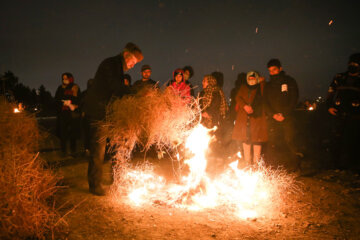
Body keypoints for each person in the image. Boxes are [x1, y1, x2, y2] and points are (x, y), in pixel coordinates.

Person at [82, 42, 143, 196]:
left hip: (109, 113)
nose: (132, 65)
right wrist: (136, 93)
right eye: (132, 61)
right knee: (98, 149)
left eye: (135, 64)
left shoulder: (118, 68)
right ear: (126, 55)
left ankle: (117, 179)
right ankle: (95, 185)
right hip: (98, 111)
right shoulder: (110, 64)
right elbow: (115, 86)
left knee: (118, 145)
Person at [264, 58, 301, 172]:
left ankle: (295, 166)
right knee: (272, 143)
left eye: (274, 70)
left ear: (280, 68)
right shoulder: (268, 85)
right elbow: (265, 102)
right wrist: (273, 114)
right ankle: (273, 167)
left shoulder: (289, 81)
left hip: (287, 117)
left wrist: (284, 113)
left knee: (290, 140)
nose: (272, 72)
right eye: (270, 71)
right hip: (273, 118)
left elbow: (294, 98)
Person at [326, 53, 360, 169]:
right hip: (338, 113)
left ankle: (350, 164)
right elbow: (330, 92)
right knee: (336, 138)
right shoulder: (340, 77)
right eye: (351, 63)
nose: (352, 65)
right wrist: (329, 106)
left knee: (352, 139)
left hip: (355, 115)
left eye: (355, 64)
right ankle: (334, 164)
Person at [232, 71, 267, 167]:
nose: (251, 80)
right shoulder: (243, 87)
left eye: (253, 78)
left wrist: (262, 82)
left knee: (257, 141)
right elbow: (238, 98)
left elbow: (264, 92)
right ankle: (248, 164)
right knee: (246, 140)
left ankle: (256, 165)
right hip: (244, 118)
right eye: (249, 79)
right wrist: (244, 106)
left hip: (257, 119)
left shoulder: (261, 87)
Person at [55, 72, 81, 157]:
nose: (64, 80)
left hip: (72, 114)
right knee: (63, 132)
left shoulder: (75, 87)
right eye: (63, 78)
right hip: (63, 114)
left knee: (73, 132)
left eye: (66, 78)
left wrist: (71, 103)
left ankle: (73, 150)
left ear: (70, 79)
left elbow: (77, 99)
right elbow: (57, 99)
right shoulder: (60, 88)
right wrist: (62, 103)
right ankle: (63, 150)